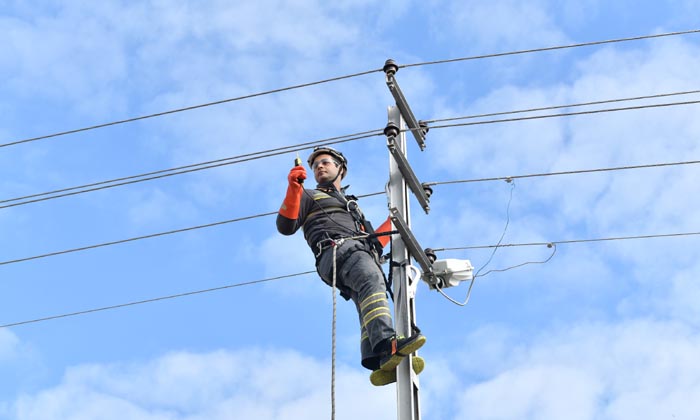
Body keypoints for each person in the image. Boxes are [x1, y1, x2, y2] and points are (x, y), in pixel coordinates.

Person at [276, 146, 426, 386]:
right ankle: (388, 343)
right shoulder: (308, 195)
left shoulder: (351, 207)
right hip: (337, 250)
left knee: (366, 299)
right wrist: (294, 187)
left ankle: (379, 359)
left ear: (340, 169)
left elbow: (376, 242)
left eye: (325, 163)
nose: (319, 167)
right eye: (315, 166)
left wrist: (399, 217)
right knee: (371, 281)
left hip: (354, 251)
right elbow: (286, 225)